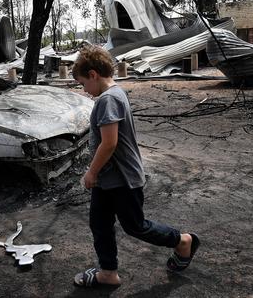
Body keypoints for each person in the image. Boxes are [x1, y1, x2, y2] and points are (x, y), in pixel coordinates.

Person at [72, 46, 200, 288]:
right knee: (99, 223)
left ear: (93, 74)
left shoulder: (108, 99)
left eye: (82, 84)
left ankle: (182, 241)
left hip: (122, 180)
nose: (84, 90)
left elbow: (109, 143)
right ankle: (108, 272)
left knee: (135, 226)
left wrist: (91, 172)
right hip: (109, 179)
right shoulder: (115, 93)